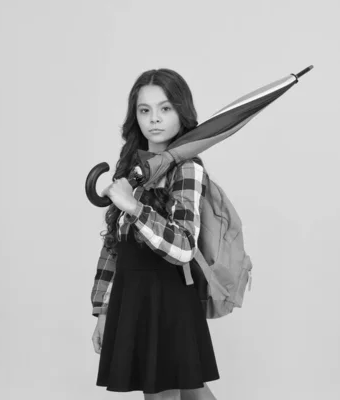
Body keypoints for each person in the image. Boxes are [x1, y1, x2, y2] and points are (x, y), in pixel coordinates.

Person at [91, 68, 220, 400]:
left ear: (182, 112)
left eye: (165, 109)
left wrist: (135, 208)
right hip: (132, 295)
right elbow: (114, 245)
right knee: (192, 391)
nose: (154, 119)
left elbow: (184, 246)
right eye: (144, 110)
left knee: (166, 393)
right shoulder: (131, 169)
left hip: (169, 298)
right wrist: (103, 310)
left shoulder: (187, 169)